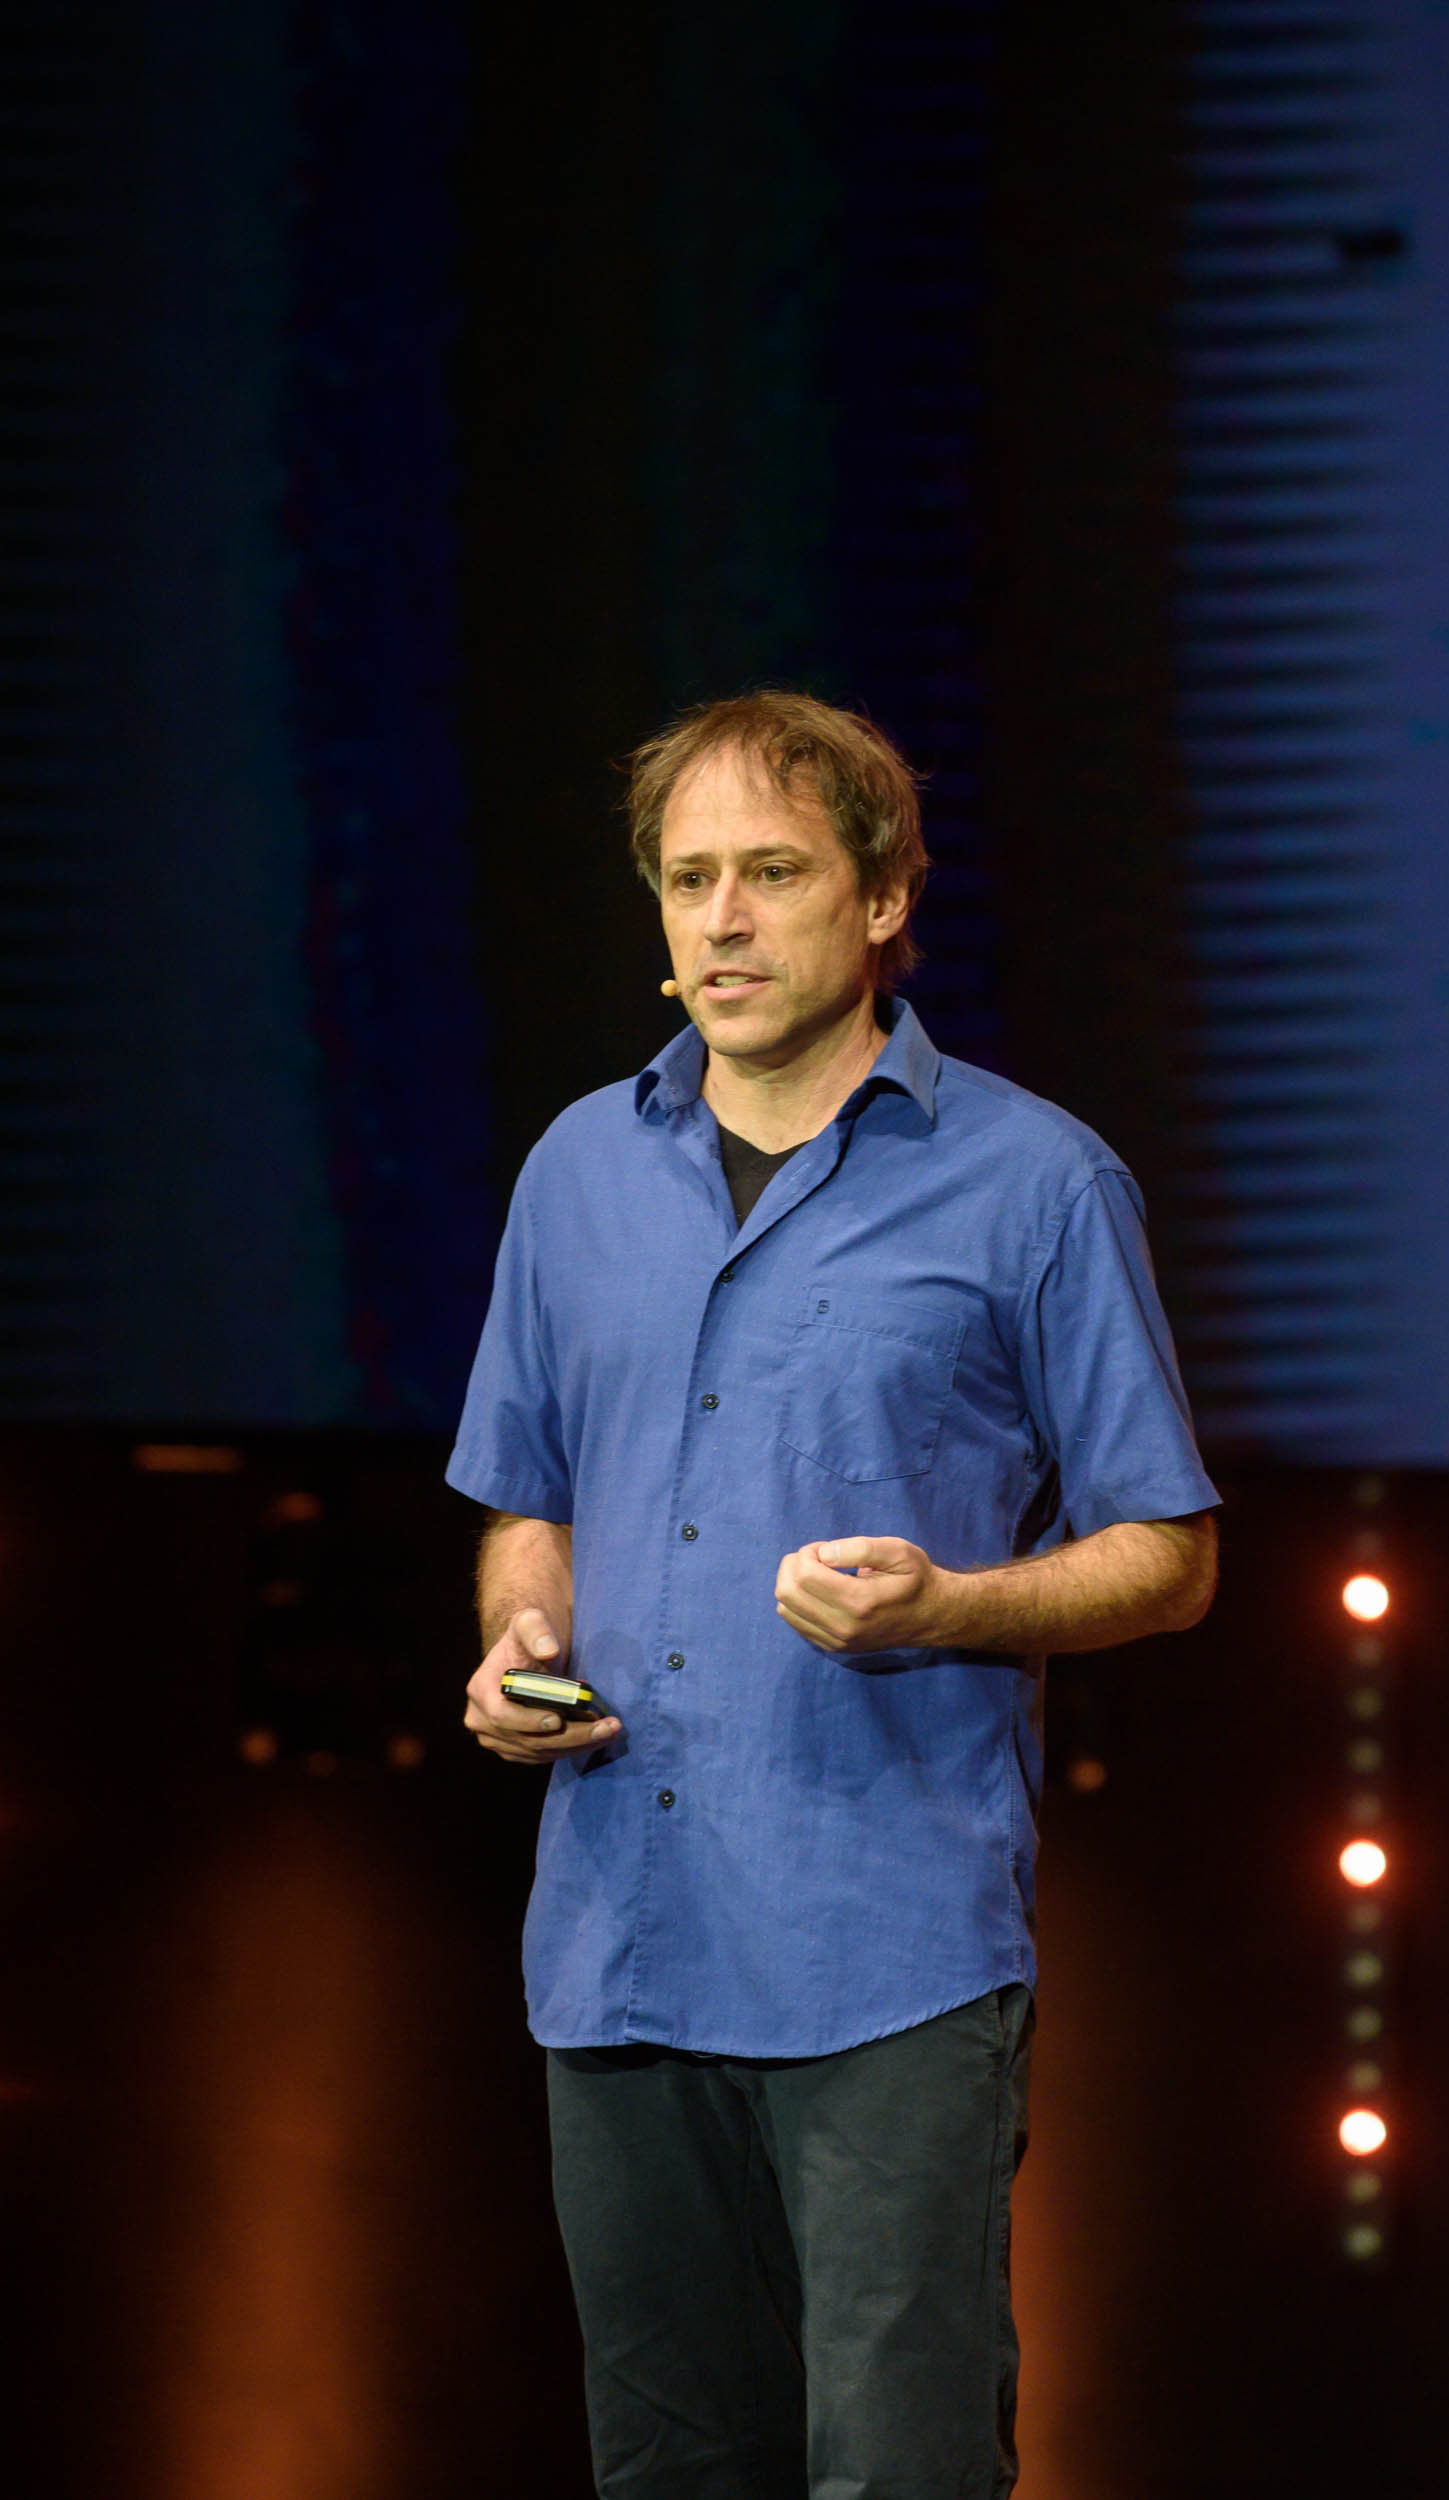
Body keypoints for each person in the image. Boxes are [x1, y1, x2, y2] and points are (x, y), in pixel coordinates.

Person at [448, 690, 1219, 2500]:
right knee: (667, 2469)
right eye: (687, 880)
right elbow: (528, 1496)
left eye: (773, 874)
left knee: (897, 2470)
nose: (720, 921)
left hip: (883, 1957)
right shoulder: (577, 1170)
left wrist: (945, 1606)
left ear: (880, 900)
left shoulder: (1035, 1183)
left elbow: (1169, 1557)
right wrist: (520, 1639)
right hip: (617, 1946)